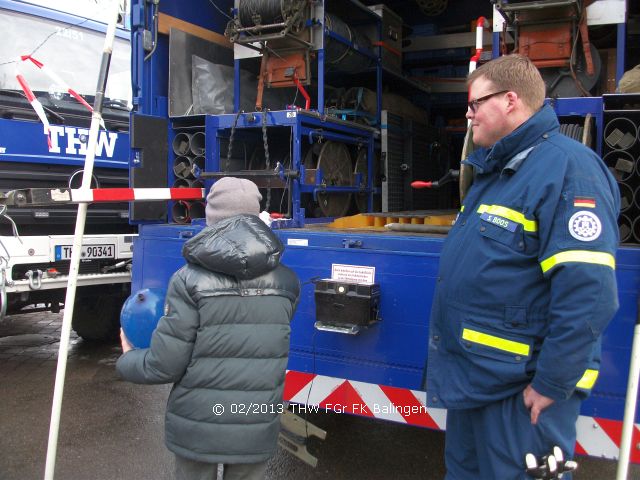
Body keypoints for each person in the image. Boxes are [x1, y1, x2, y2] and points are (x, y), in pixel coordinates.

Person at [425, 54, 619, 479]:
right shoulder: (496, 171)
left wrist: (552, 382)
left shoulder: (570, 170)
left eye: (476, 103)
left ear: (510, 100)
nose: (468, 113)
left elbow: (588, 291)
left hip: (520, 394)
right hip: (475, 383)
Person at [117, 177, 300, 480]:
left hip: (197, 425)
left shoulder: (188, 280)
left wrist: (127, 358)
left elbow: (165, 365)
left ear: (211, 217)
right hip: (254, 424)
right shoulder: (286, 282)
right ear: (256, 217)